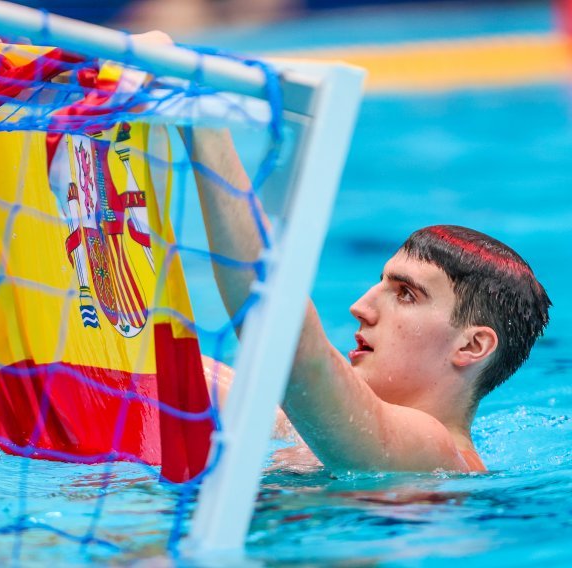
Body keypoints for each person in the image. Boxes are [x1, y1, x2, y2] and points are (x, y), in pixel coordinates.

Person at [184, 127, 551, 474]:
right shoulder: (317, 428)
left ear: (472, 345)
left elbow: (295, 354)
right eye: (381, 285)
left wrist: (206, 133)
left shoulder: (438, 454)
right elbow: (186, 373)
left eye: (406, 294)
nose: (360, 308)